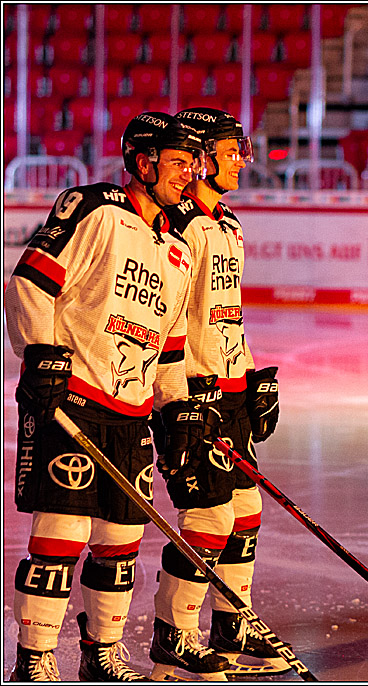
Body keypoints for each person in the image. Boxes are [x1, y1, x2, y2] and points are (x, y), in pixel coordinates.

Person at [5, 112, 214, 681]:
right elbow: (30, 281)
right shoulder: (94, 208)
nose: (189, 174)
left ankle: (103, 653)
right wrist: (42, 353)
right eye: (178, 162)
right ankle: (36, 658)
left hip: (130, 414)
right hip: (73, 398)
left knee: (121, 540)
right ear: (143, 162)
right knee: (61, 532)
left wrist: (175, 406)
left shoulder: (179, 243)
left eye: (194, 162)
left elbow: (172, 343)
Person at [147, 107, 284, 680]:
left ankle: (232, 620)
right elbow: (166, 315)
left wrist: (253, 378)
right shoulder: (176, 225)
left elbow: (227, 315)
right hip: (191, 390)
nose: (240, 163)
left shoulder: (226, 223)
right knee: (208, 516)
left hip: (228, 388)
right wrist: (175, 397)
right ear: (201, 157)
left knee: (246, 509)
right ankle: (173, 634)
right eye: (231, 152)